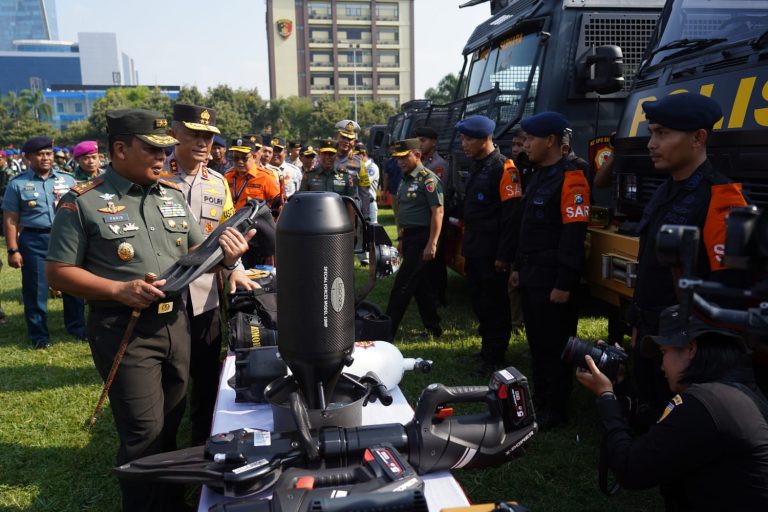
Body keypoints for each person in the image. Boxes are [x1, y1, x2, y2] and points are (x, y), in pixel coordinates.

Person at [45, 109, 254, 511]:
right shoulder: (84, 202)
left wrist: (227, 258)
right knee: (143, 431)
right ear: (120, 149)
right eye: (152, 150)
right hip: (124, 328)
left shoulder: (171, 197)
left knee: (171, 421)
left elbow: (198, 253)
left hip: (177, 325)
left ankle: (170, 498)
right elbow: (58, 272)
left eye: (165, 150)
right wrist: (117, 289)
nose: (162, 158)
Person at [628, 93, 748, 427]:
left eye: (662, 133)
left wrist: (693, 350)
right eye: (651, 132)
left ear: (698, 138)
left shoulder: (723, 198)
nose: (651, 144)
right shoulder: (666, 190)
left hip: (688, 348)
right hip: (655, 335)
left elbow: (729, 291)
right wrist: (638, 322)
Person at [576, 306, 768, 511]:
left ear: (691, 349)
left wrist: (606, 397)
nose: (661, 366)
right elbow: (664, 433)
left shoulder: (703, 404)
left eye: (664, 352)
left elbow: (630, 469)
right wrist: (621, 385)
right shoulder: (734, 392)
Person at [165, 103, 258, 444]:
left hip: (205, 294)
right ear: (174, 134)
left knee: (206, 376)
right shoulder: (153, 178)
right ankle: (165, 445)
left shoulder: (218, 183)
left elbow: (227, 232)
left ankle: (202, 442)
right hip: (165, 292)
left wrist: (236, 268)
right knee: (171, 380)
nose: (204, 143)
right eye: (194, 135)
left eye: (208, 136)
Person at [509, 111, 590, 430]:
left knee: (556, 346)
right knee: (538, 344)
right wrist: (518, 267)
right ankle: (541, 400)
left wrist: (565, 282)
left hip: (554, 280)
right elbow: (527, 227)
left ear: (551, 141)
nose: (525, 144)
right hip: (532, 275)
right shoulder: (538, 174)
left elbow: (573, 234)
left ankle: (556, 408)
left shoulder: (572, 177)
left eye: (530, 139)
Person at [2, 136, 85, 348]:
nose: (45, 158)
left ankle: (76, 327)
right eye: (39, 154)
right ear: (28, 157)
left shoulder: (67, 180)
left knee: (73, 284)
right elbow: (11, 220)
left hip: (66, 238)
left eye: (48, 153)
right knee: (35, 288)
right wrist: (13, 250)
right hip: (34, 239)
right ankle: (39, 335)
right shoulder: (17, 184)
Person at [457, 115, 521, 376]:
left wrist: (504, 255)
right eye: (462, 138)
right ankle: (486, 350)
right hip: (475, 249)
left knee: (495, 305)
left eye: (468, 138)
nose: (464, 144)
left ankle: (496, 356)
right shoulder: (477, 165)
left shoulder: (504, 168)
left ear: (485, 139)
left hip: (493, 253)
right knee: (480, 302)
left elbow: (511, 217)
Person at [385, 139, 443, 339]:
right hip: (409, 237)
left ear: (417, 155)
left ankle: (386, 332)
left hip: (422, 238)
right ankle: (433, 327)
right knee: (420, 285)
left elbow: (438, 213)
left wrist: (432, 242)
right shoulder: (406, 178)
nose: (400, 162)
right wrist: (401, 238)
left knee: (402, 284)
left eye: (404, 157)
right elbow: (403, 211)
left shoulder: (428, 179)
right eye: (397, 158)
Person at [413, 126, 448, 304]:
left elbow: (440, 198)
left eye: (423, 140)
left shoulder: (438, 165)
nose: (420, 144)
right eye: (418, 140)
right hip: (423, 218)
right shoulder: (423, 163)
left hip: (435, 217)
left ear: (434, 142)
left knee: (436, 260)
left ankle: (438, 296)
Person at [224, 137, 281, 212]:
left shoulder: (266, 177)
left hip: (253, 222)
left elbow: (278, 207)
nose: (240, 162)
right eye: (236, 158)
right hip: (229, 222)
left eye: (244, 158)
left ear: (254, 157)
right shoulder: (227, 177)